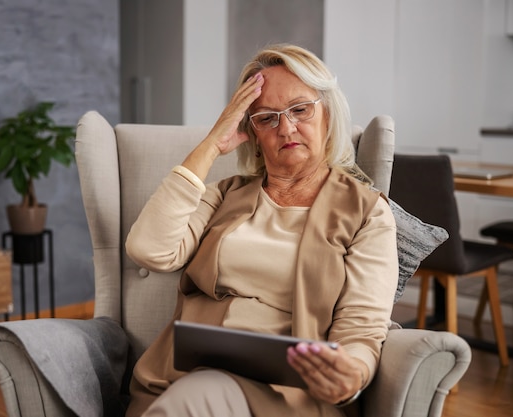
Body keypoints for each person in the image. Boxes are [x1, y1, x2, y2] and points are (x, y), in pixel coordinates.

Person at [124, 43, 398, 417]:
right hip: (187, 374)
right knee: (196, 393)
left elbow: (361, 328)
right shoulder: (224, 196)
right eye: (267, 118)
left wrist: (352, 374)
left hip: (287, 394)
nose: (286, 127)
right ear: (251, 133)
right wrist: (210, 144)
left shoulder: (366, 212)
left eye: (300, 110)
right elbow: (148, 249)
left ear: (328, 115)